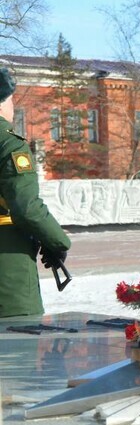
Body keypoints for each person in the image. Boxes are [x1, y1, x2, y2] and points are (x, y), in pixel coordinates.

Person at [0, 67, 72, 317]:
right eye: (11, 99)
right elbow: (26, 207)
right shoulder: (9, 144)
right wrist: (57, 242)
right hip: (7, 273)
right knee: (16, 351)